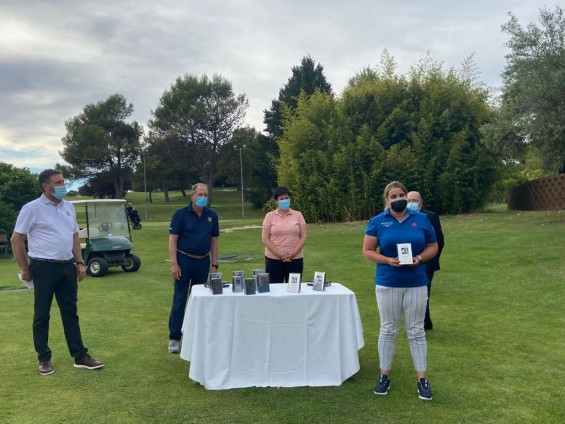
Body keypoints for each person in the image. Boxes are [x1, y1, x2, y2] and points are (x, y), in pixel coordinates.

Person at [11, 169, 104, 376]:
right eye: (59, 182)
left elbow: (73, 237)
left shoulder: (68, 207)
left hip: (67, 266)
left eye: (63, 181)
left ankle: (80, 356)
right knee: (42, 314)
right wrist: (24, 268)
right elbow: (16, 239)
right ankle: (44, 358)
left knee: (70, 313)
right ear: (47, 186)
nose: (64, 185)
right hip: (43, 267)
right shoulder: (32, 208)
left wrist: (80, 262)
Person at [363, 181, 438, 400]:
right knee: (388, 329)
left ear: (407, 196)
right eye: (393, 196)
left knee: (416, 330)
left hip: (416, 282)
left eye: (401, 195)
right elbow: (368, 250)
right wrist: (386, 259)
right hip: (388, 282)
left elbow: (433, 247)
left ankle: (422, 378)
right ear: (387, 200)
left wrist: (420, 258)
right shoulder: (378, 221)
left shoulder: (422, 220)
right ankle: (383, 375)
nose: (398, 199)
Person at [168, 183, 219, 353]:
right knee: (180, 299)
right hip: (184, 261)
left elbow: (214, 241)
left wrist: (214, 264)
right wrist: (174, 264)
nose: (203, 197)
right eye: (200, 195)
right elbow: (173, 240)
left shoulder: (212, 216)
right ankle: (174, 338)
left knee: (197, 300)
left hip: (203, 262)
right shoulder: (180, 214)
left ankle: (194, 335)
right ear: (192, 196)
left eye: (205, 195)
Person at [407, 191, 445, 330]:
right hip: (408, 261)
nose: (411, 203)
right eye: (409, 200)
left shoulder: (430, 216)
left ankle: (425, 322)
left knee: (424, 293)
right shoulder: (404, 216)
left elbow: (439, 240)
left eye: (414, 200)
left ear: (420, 202)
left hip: (427, 262)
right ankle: (414, 320)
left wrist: (431, 259)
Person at [261, 187, 307, 284]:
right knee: (275, 290)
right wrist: (279, 255)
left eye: (286, 198)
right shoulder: (269, 216)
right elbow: (265, 238)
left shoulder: (298, 215)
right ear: (276, 201)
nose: (284, 201)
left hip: (295, 259)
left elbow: (303, 236)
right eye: (281, 199)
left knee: (294, 290)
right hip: (273, 259)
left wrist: (293, 254)